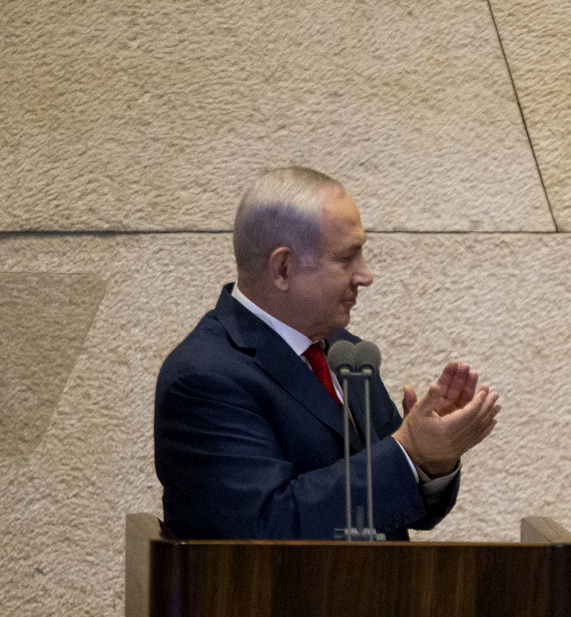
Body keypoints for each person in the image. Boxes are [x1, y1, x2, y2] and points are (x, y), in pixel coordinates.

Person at [153, 167, 501, 539]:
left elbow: (398, 507)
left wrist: (432, 459)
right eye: (348, 258)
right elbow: (268, 527)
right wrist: (408, 451)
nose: (365, 276)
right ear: (283, 268)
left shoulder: (345, 351)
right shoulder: (204, 377)